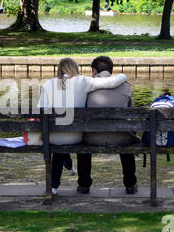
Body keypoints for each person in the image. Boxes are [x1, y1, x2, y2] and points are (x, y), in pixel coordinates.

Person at [38, 57, 127, 196]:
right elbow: (110, 82)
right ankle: (70, 171)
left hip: (52, 137)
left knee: (59, 142)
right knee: (70, 136)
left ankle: (53, 187)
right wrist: (124, 75)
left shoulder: (47, 84)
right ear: (75, 68)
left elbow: (41, 111)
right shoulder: (83, 81)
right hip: (75, 136)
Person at [78, 56, 139, 195]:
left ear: (94, 70)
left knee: (82, 143)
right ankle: (130, 184)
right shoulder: (125, 86)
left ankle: (84, 184)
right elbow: (130, 112)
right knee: (127, 141)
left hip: (93, 137)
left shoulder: (86, 86)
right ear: (111, 71)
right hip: (121, 137)